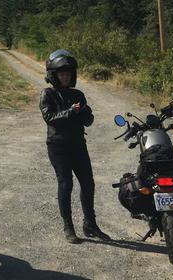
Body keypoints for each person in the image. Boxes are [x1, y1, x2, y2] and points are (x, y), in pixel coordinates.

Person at [39, 49, 111, 243]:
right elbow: (49, 117)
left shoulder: (78, 94)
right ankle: (68, 227)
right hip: (58, 147)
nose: (65, 77)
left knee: (88, 183)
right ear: (54, 75)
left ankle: (90, 224)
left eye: (68, 74)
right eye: (62, 74)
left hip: (78, 145)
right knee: (66, 184)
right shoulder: (47, 94)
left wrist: (86, 113)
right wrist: (70, 112)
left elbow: (88, 121)